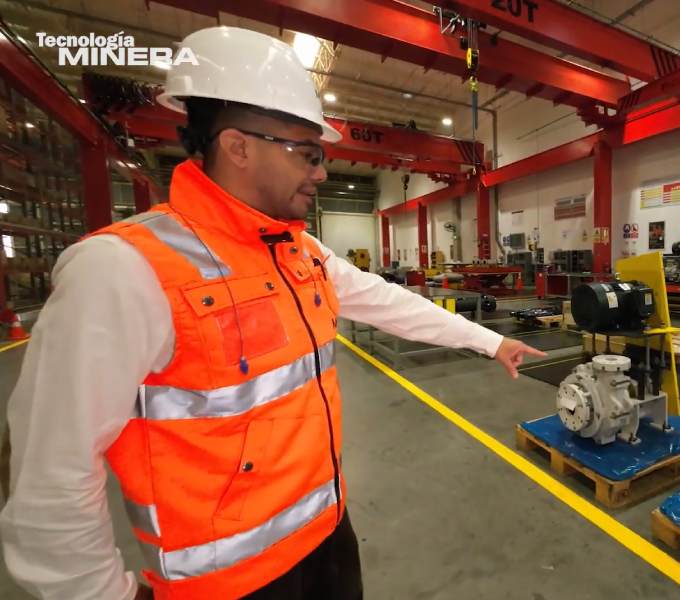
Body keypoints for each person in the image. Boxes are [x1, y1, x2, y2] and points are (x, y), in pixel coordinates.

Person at [0, 26, 544, 600]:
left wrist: (491, 341)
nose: (321, 172)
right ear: (239, 147)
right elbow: (50, 474)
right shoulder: (123, 269)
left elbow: (389, 301)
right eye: (308, 154)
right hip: (228, 585)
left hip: (329, 540)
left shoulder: (298, 252)